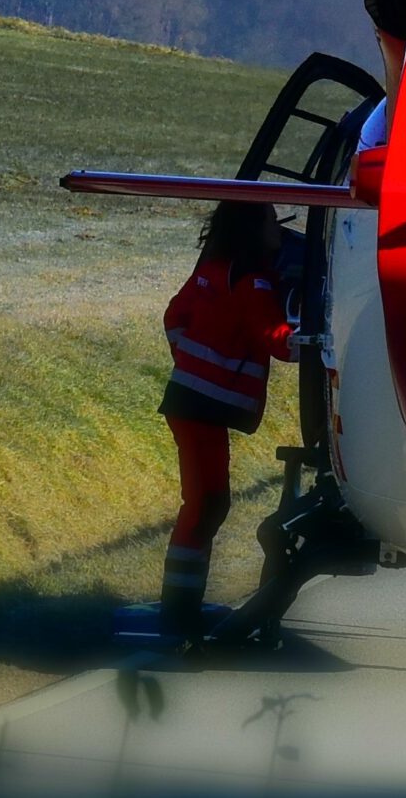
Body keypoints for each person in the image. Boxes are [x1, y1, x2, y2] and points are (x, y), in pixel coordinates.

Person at [158, 200, 297, 645]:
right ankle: (180, 611)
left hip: (189, 401)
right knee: (206, 505)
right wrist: (317, 340)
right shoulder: (255, 282)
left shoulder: (213, 269)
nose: (280, 231)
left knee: (206, 503)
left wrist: (190, 362)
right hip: (204, 406)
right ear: (254, 230)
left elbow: (174, 316)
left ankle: (180, 605)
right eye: (273, 221)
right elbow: (276, 339)